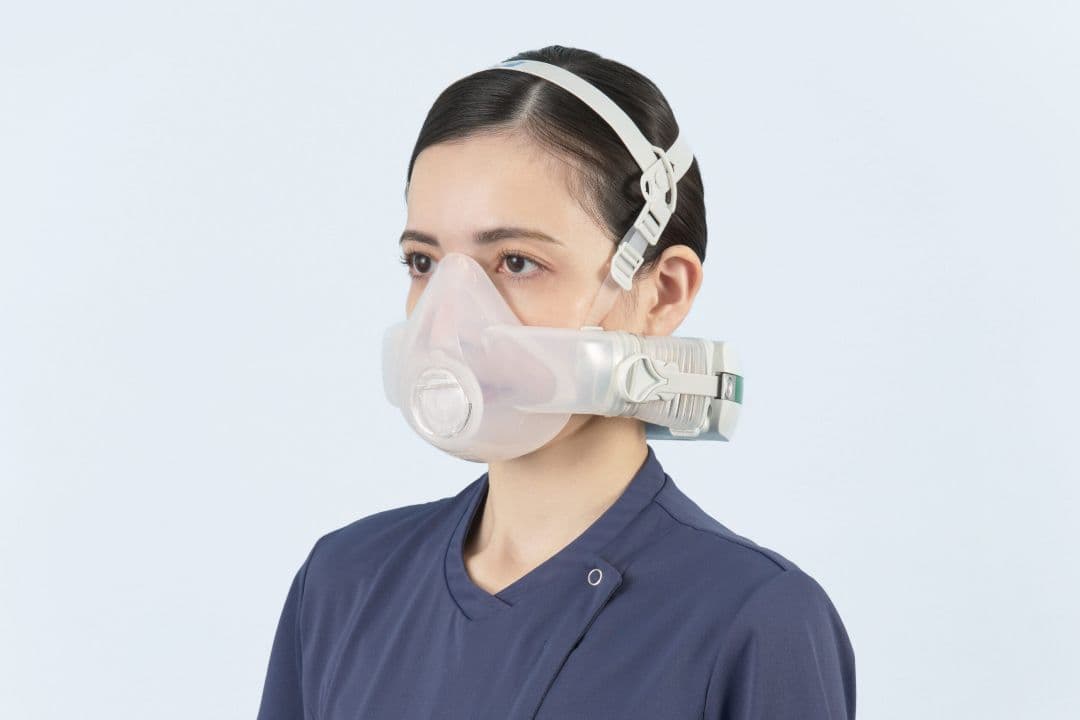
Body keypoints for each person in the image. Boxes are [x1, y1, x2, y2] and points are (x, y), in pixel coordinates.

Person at [256, 45, 856, 719]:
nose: (448, 322)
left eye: (516, 262)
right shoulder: (345, 583)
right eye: (423, 262)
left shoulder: (753, 619)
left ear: (663, 291)